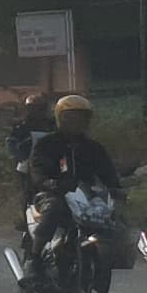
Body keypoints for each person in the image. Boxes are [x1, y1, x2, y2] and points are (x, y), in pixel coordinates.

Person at [19, 90, 121, 253]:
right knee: (54, 209)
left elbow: (107, 171)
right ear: (61, 118)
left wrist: (116, 189)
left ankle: (116, 256)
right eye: (71, 118)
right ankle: (35, 257)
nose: (76, 123)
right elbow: (38, 170)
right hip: (53, 193)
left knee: (116, 217)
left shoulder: (93, 147)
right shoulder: (46, 144)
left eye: (82, 118)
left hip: (86, 196)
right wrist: (49, 182)